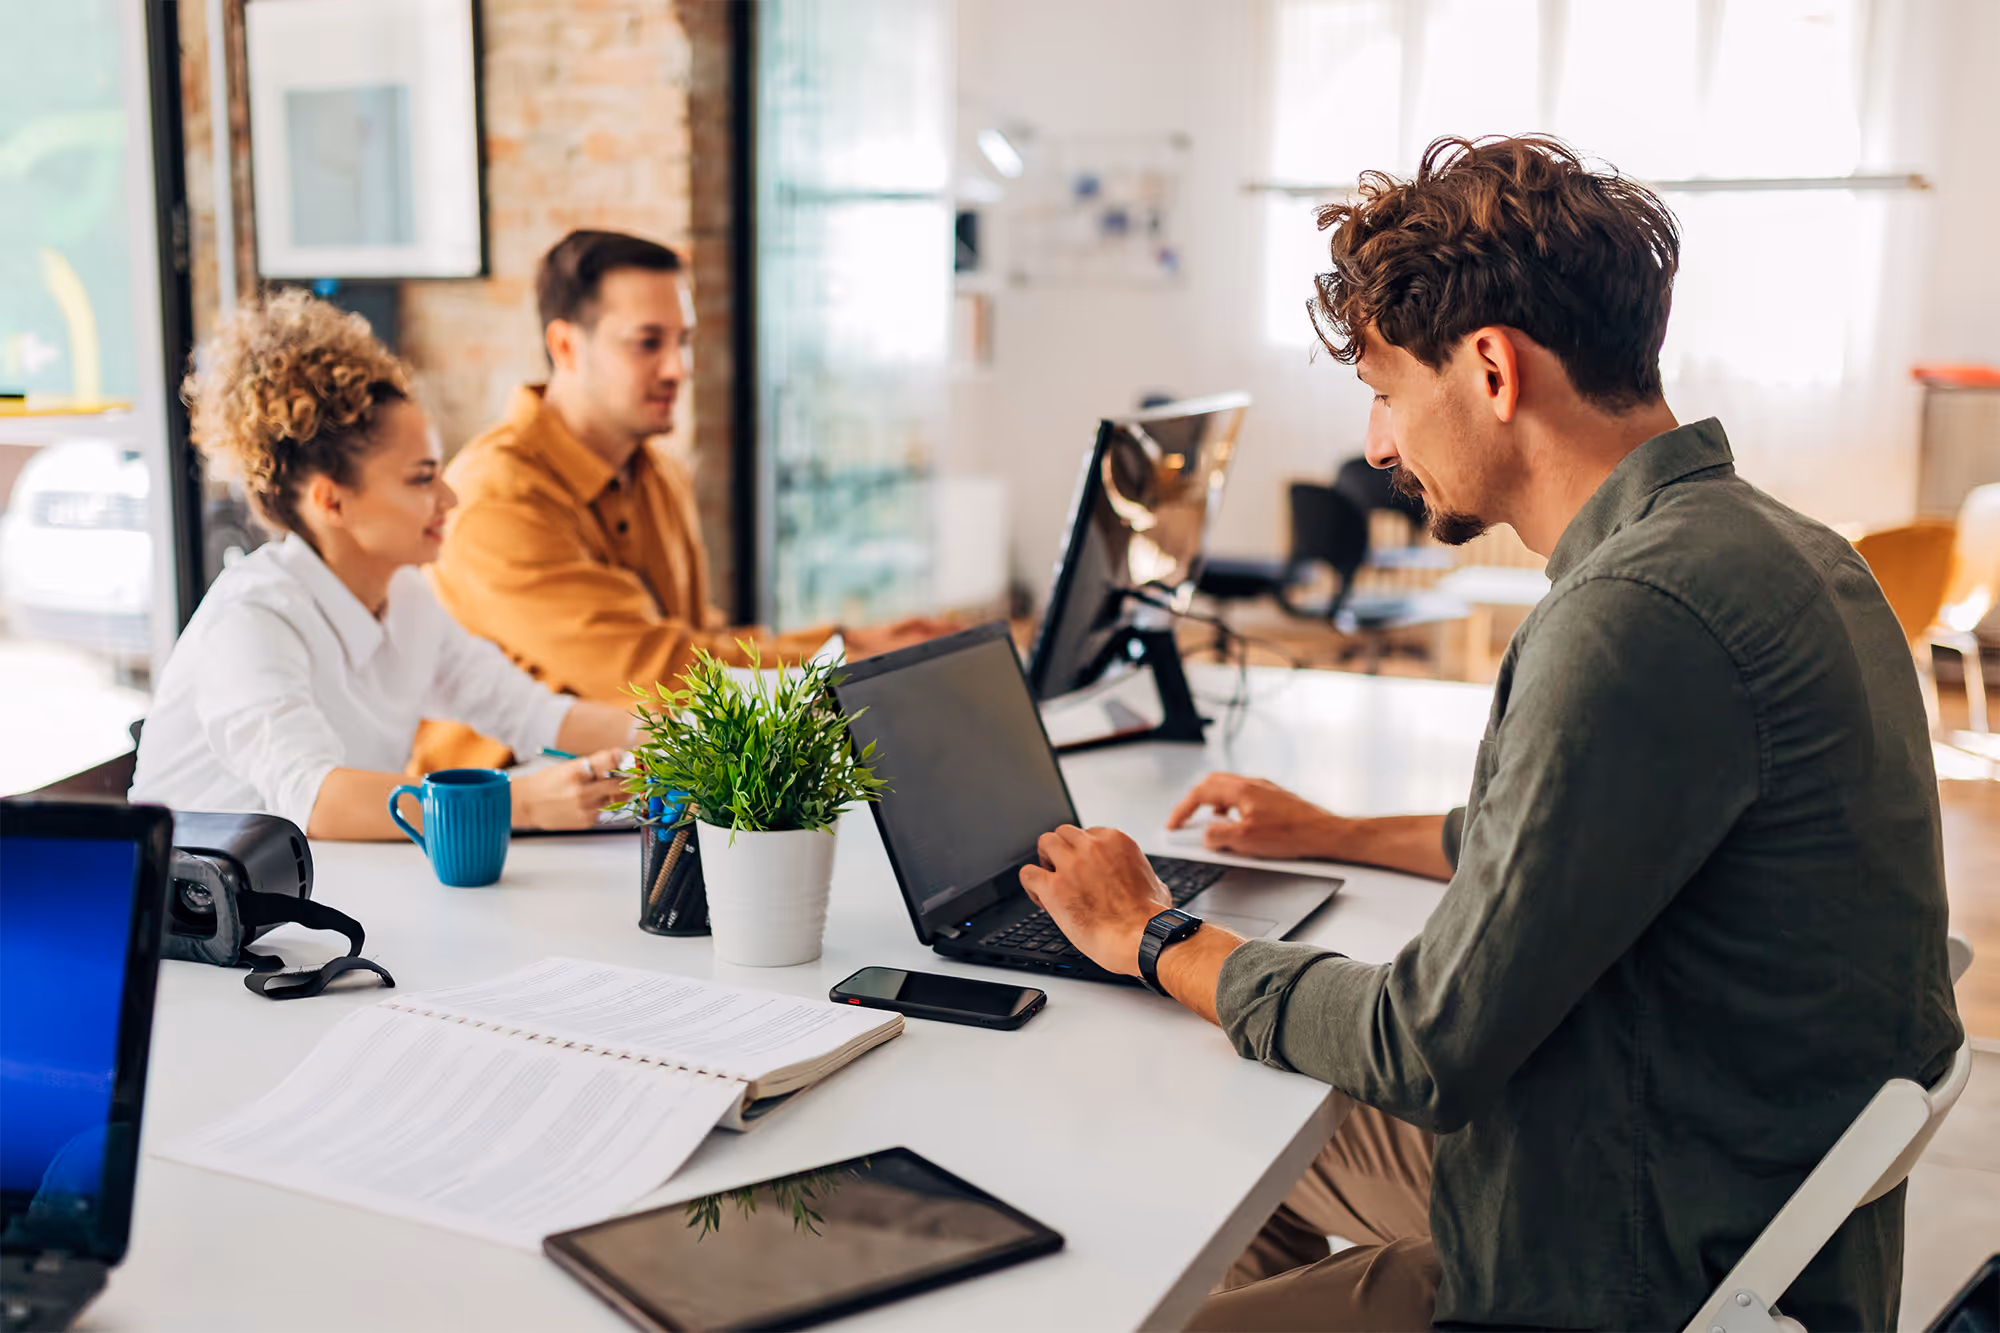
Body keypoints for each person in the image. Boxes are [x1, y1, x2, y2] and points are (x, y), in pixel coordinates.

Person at [1018, 137, 1962, 1332]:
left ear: (1489, 370)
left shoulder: (1630, 615)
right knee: (1220, 1086)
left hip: (1621, 1246)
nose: (1375, 443)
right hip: (1711, 1154)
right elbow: (1566, 838)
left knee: (1204, 1081)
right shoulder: (1778, 547)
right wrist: (1330, 830)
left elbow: (1424, 1045)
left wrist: (1150, 933)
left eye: (1384, 391)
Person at [415, 229, 951, 771]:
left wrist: (846, 640)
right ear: (565, 347)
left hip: (642, 790)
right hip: (509, 817)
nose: (679, 368)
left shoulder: (657, 473)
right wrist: (839, 661)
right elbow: (658, 671)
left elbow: (696, 644)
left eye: (684, 340)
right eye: (648, 343)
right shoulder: (493, 498)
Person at [131, 292, 632, 839]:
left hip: (326, 888)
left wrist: (692, 735)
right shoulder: (251, 620)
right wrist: (521, 802)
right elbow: (317, 799)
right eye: (421, 479)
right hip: (197, 913)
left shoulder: (407, 598)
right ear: (331, 502)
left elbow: (532, 714)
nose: (450, 498)